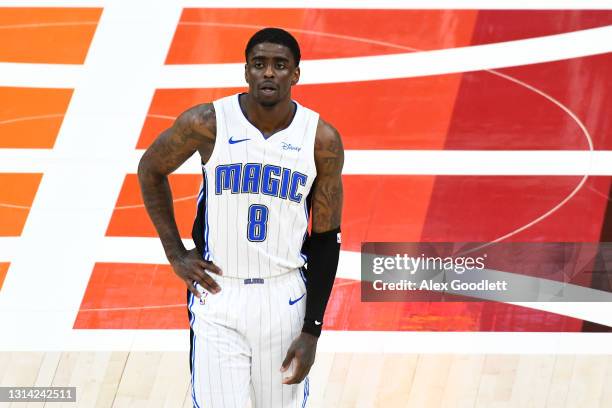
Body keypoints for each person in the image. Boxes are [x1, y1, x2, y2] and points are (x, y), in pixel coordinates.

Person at [138, 27, 343, 407]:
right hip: (219, 291)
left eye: (279, 65)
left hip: (284, 297)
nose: (268, 73)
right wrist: (175, 253)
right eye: (259, 64)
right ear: (246, 71)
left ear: (296, 74)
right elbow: (150, 169)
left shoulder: (321, 140)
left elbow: (327, 239)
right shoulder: (207, 123)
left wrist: (312, 330)